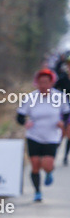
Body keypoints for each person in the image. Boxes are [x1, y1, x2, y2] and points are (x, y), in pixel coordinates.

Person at [16, 68, 70, 201]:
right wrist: (25, 123)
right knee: (34, 164)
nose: (43, 85)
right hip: (34, 135)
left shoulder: (59, 97)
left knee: (47, 164)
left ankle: (49, 172)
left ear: (51, 83)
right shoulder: (31, 97)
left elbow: (67, 113)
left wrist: (62, 123)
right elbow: (20, 116)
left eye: (46, 82)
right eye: (41, 82)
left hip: (52, 135)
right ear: (37, 83)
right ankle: (37, 192)